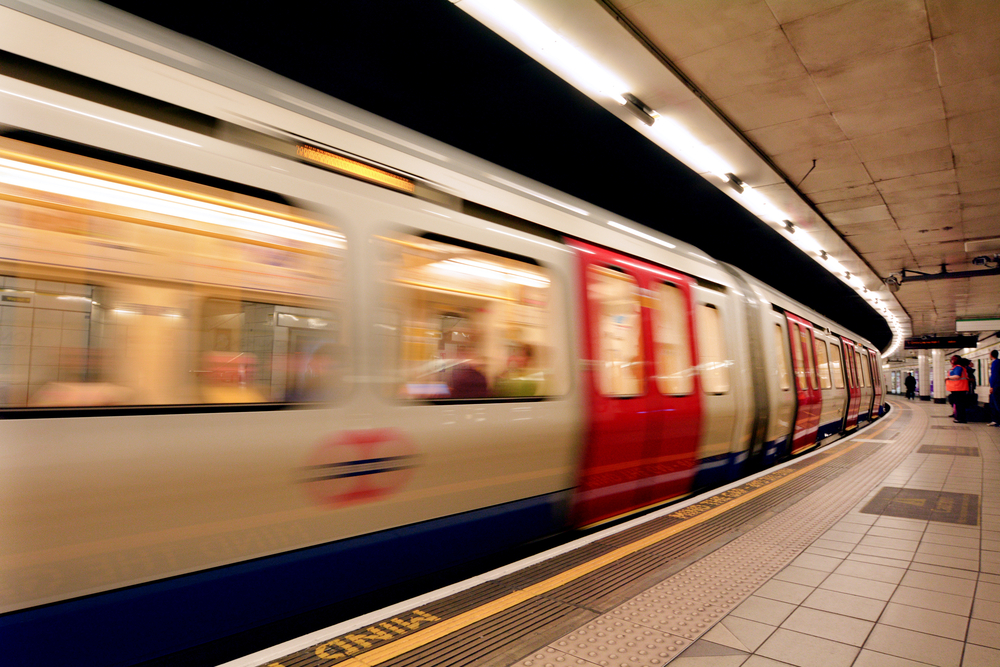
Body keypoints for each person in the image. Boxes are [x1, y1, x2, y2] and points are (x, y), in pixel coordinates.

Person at [946, 355, 969, 423]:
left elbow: (957, 376)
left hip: (959, 388)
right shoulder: (960, 367)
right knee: (959, 404)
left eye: (952, 360)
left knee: (959, 404)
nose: (951, 361)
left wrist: (948, 377)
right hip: (958, 388)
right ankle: (960, 417)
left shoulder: (958, 367)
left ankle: (960, 418)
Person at [989, 350, 1000, 427]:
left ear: (991, 355)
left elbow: (994, 375)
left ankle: (997, 420)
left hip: (997, 385)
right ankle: (996, 420)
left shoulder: (995, 363)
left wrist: (992, 386)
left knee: (996, 403)